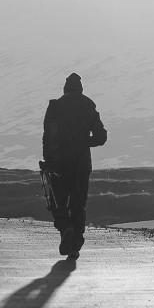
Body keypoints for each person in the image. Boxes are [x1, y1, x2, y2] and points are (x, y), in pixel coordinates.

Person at [41, 72, 107, 259]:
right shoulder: (88, 105)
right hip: (81, 164)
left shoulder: (55, 107)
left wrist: (48, 160)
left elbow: (47, 137)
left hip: (59, 163)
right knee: (78, 204)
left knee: (57, 202)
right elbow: (101, 137)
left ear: (65, 89)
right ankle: (75, 245)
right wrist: (84, 142)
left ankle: (66, 229)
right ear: (80, 89)